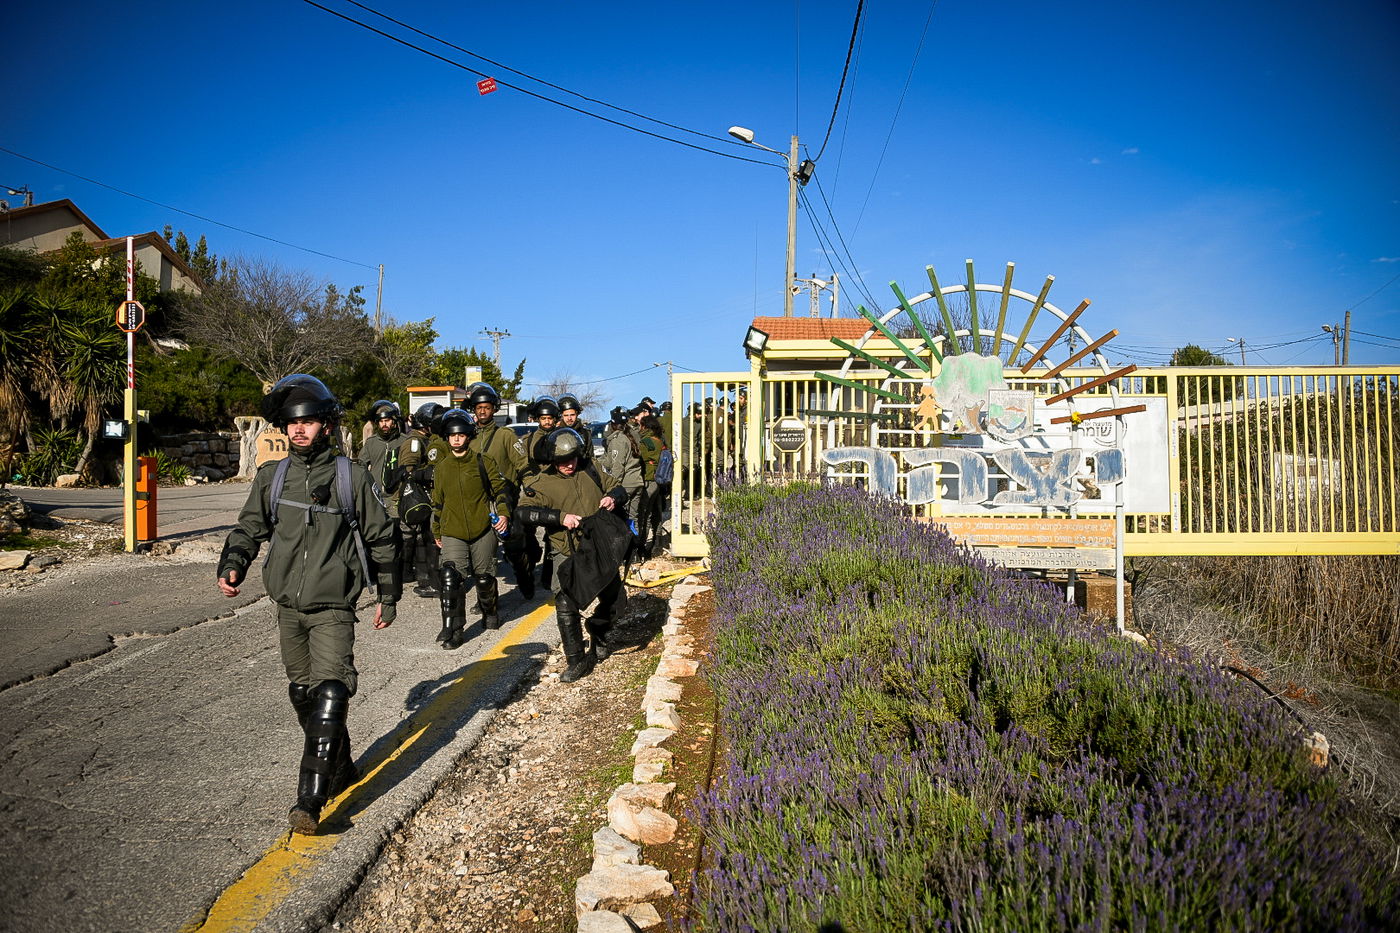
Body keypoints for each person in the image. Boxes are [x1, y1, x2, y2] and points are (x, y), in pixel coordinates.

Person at [216, 374, 399, 836]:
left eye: (309, 421)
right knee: (303, 693)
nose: (299, 430)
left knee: (332, 689)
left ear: (327, 425)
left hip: (334, 605)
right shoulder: (272, 477)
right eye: (293, 423)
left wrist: (388, 595)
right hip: (288, 608)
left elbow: (382, 538)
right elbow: (249, 528)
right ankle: (341, 767)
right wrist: (233, 563)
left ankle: (310, 800)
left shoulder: (351, 477)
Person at [516, 427, 629, 683]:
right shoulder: (541, 482)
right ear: (552, 460)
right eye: (562, 461)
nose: (569, 465)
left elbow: (618, 488)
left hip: (598, 546)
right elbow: (523, 512)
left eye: (572, 459)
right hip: (565, 548)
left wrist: (612, 498)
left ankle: (598, 629)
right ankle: (576, 660)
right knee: (565, 603)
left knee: (616, 600)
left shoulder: (591, 469)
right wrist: (559, 517)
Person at [431, 408, 511, 648]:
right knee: (450, 578)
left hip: (482, 529)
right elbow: (437, 503)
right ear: (447, 438)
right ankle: (454, 630)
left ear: (468, 436)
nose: (456, 439)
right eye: (452, 436)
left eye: (461, 435)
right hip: (452, 531)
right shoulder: (442, 467)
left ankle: (490, 610)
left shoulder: (483, 462)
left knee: (484, 578)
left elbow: (501, 490)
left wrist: (504, 514)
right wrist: (436, 530)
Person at [465, 382, 535, 599]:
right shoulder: (468, 437)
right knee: (482, 552)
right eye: (479, 407)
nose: (482, 411)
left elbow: (522, 463)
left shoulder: (506, 435)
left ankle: (524, 576)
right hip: (478, 500)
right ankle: (487, 599)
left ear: (494, 409)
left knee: (513, 546)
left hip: (505, 496)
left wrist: (530, 486)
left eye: (487, 407)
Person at [397, 402, 446, 597]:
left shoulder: (428, 439)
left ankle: (428, 579)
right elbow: (409, 469)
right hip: (421, 498)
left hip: (430, 496)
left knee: (427, 538)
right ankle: (424, 578)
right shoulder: (415, 441)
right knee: (422, 538)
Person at [357, 399, 408, 585]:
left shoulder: (404, 441)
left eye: (387, 420)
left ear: (394, 421)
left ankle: (401, 570)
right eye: (381, 421)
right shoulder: (372, 443)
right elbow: (360, 466)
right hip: (377, 497)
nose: (384, 424)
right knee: (377, 535)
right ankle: (376, 571)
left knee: (400, 534)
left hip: (398, 496)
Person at [600, 405, 644, 537]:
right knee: (633, 518)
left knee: (621, 519)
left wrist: (613, 487)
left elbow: (618, 466)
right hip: (637, 481)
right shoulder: (631, 435)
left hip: (626, 484)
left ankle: (627, 545)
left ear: (613, 424)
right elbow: (610, 461)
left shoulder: (618, 440)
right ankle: (637, 545)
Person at [636, 414, 670, 557]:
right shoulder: (660, 440)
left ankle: (641, 547)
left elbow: (640, 458)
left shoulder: (646, 442)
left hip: (648, 480)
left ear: (645, 426)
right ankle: (655, 543)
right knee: (654, 513)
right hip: (659, 481)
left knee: (644, 515)